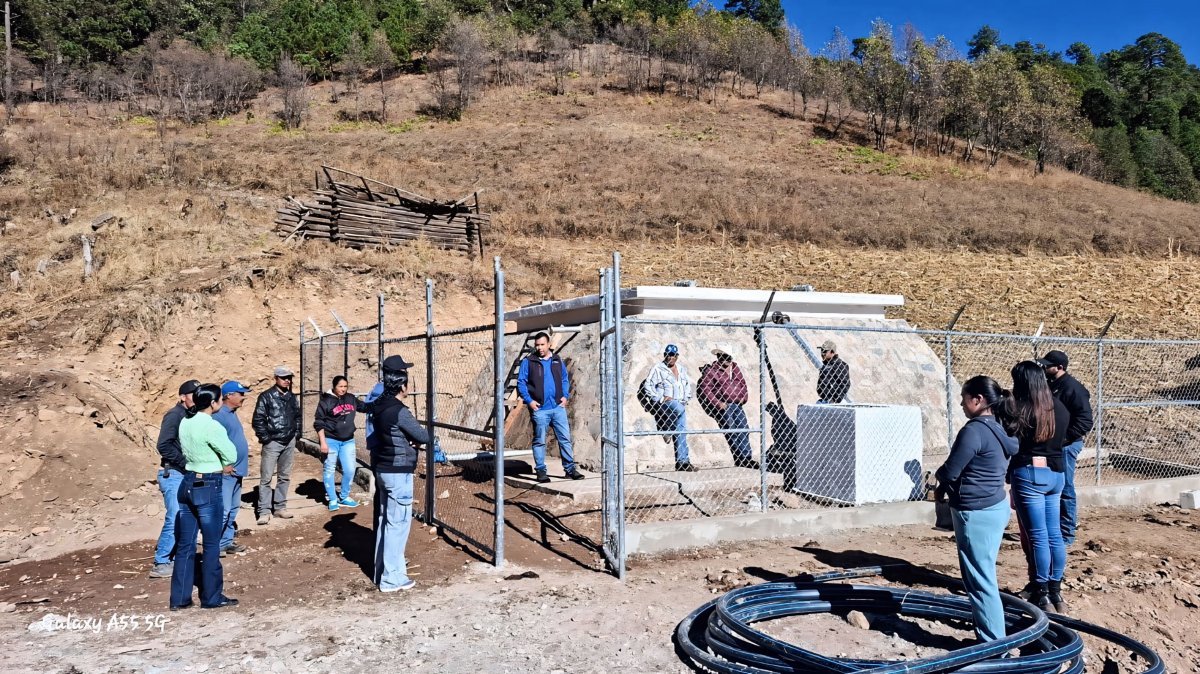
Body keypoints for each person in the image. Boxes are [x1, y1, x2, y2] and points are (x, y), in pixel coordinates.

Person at [935, 376, 1019, 642]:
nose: (960, 403)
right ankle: (993, 636)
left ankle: (993, 645)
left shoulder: (974, 431)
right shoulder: (999, 428)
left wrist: (938, 476)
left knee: (980, 582)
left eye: (964, 397)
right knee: (985, 575)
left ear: (978, 400)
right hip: (995, 506)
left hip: (976, 513)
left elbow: (950, 471)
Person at [1000, 360, 1070, 613]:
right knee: (1054, 535)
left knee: (1037, 536)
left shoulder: (1020, 409)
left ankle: (1040, 592)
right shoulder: (1059, 408)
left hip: (1028, 473)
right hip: (1055, 474)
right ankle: (1056, 590)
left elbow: (1009, 437)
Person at [170, 383, 239, 610]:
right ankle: (211, 597)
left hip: (188, 482)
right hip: (208, 484)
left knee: (185, 545)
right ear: (213, 403)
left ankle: (179, 599)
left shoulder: (185, 421)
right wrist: (222, 465)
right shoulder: (212, 425)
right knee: (211, 544)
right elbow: (231, 454)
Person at [369, 355, 431, 592]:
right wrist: (414, 440)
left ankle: (381, 571)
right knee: (397, 525)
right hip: (398, 471)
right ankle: (392, 579)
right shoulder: (399, 410)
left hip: (384, 468)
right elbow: (422, 436)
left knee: (386, 521)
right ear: (402, 384)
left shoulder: (379, 404)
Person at [1036, 350, 1093, 547]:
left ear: (1060, 367)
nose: (1044, 367)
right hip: (1053, 445)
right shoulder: (1051, 385)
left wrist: (1064, 439)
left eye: (1048, 365)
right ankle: (1053, 529)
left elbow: (1085, 421)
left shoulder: (1073, 388)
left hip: (1066, 446)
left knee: (1066, 488)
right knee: (1050, 486)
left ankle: (1067, 534)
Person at [516, 332, 584, 483]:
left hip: (558, 408)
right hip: (540, 410)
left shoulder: (556, 360)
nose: (540, 348)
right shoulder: (529, 362)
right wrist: (530, 401)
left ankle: (570, 469)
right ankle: (541, 470)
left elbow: (565, 379)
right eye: (537, 345)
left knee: (565, 439)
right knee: (540, 441)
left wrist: (565, 396)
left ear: (549, 344)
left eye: (542, 344)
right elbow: (521, 383)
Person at [150, 379, 200, 580]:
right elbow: (163, 445)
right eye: (192, 395)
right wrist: (185, 462)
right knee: (176, 515)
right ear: (182, 397)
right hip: (174, 473)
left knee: (185, 514)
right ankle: (161, 561)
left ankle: (176, 556)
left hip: (183, 473)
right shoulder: (174, 415)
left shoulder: (189, 415)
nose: (196, 399)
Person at [251, 366, 300, 525]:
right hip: (273, 442)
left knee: (284, 476)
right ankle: (264, 511)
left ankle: (280, 507)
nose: (287, 380)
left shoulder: (292, 397)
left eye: (289, 377)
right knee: (266, 478)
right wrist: (267, 439)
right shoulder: (266, 396)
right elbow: (258, 420)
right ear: (276, 378)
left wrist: (295, 434)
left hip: (289, 441)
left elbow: (298, 416)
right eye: (284, 377)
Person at [315, 375, 369, 511]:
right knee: (329, 469)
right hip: (331, 440)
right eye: (340, 386)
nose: (343, 389)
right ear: (334, 386)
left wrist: (381, 402)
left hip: (348, 440)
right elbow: (319, 423)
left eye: (345, 386)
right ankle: (333, 499)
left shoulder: (350, 398)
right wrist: (323, 443)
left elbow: (364, 407)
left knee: (350, 469)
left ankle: (344, 496)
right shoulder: (326, 401)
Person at [213, 381, 252, 557]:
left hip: (237, 471)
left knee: (233, 509)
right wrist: (224, 465)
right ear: (229, 395)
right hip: (227, 472)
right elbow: (215, 443)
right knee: (223, 510)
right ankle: (213, 546)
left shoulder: (231, 413)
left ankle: (225, 543)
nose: (243, 397)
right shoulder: (219, 415)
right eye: (240, 393)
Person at [697, 349, 753, 468]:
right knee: (731, 430)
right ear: (719, 357)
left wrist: (744, 397)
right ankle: (739, 458)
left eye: (729, 357)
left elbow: (743, 384)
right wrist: (718, 403)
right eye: (724, 357)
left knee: (744, 429)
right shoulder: (712, 371)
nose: (728, 360)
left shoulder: (735, 369)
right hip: (725, 406)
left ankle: (747, 457)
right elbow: (705, 389)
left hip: (738, 404)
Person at [645, 344, 695, 472]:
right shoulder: (658, 368)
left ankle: (682, 463)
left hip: (680, 403)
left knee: (680, 428)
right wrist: (659, 398)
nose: (670, 357)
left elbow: (686, 384)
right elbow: (648, 385)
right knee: (680, 415)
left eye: (672, 355)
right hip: (665, 403)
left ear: (677, 356)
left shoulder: (681, 369)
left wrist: (686, 398)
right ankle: (683, 460)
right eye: (667, 355)